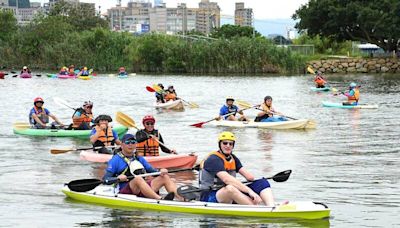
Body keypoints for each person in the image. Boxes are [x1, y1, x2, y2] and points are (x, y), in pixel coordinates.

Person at [199, 132, 275, 206]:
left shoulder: (233, 158)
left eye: (231, 144)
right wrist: (250, 192)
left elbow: (250, 177)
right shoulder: (213, 159)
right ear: (220, 144)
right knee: (230, 188)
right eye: (225, 143)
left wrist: (256, 187)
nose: (228, 146)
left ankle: (271, 206)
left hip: (228, 192)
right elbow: (227, 180)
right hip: (209, 196)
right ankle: (257, 208)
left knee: (262, 182)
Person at [103, 134, 178, 201]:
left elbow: (153, 172)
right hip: (124, 191)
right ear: (122, 145)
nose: (130, 145)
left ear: (136, 145)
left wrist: (161, 171)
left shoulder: (139, 158)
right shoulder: (115, 160)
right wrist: (118, 178)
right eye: (127, 143)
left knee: (164, 177)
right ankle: (160, 199)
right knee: (138, 178)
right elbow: (105, 179)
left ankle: (182, 199)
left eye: (133, 142)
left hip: (141, 189)